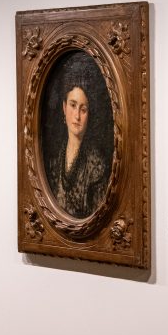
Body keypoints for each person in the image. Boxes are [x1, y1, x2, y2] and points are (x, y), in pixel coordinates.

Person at [45, 65, 111, 219]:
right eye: (73, 105)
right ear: (64, 107)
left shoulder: (97, 165)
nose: (77, 116)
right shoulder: (54, 158)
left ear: (89, 114)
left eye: (83, 109)